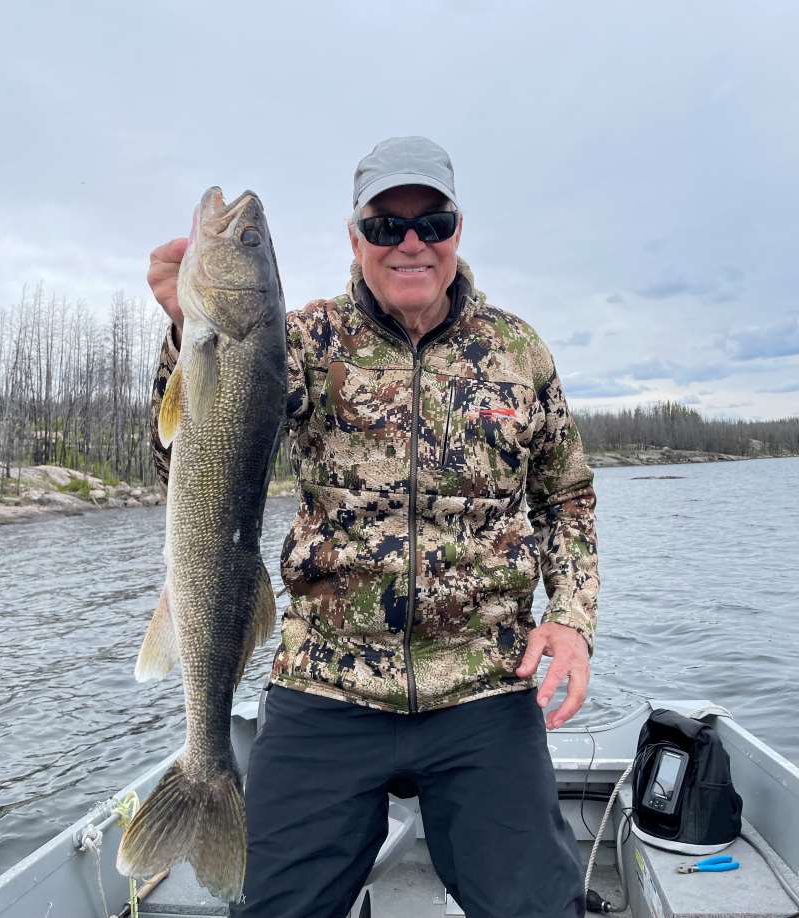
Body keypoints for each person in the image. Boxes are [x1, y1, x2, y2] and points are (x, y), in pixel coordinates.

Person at [148, 136, 599, 918]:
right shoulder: (297, 340)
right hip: (326, 681)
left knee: (540, 908)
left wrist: (571, 618)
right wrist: (179, 335)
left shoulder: (520, 352)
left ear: (459, 229)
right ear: (355, 240)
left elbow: (566, 499)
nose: (412, 242)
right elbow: (184, 469)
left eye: (433, 221)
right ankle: (207, 785)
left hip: (483, 687)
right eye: (387, 226)